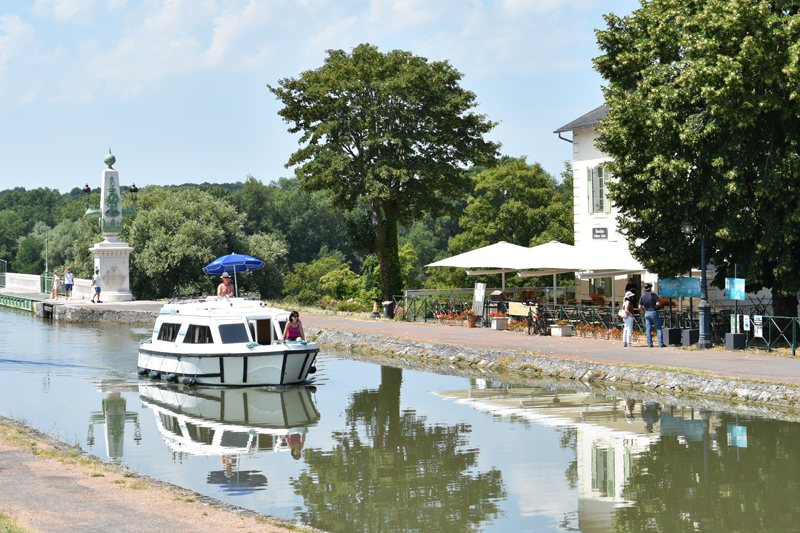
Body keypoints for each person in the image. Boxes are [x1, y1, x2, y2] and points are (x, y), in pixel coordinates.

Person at [638, 282, 664, 347]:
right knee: (658, 328)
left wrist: (644, 311)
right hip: (653, 312)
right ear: (650, 288)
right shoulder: (653, 295)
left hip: (646, 312)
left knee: (648, 329)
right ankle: (660, 343)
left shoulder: (642, 296)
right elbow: (658, 303)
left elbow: (639, 307)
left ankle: (650, 343)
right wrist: (655, 308)